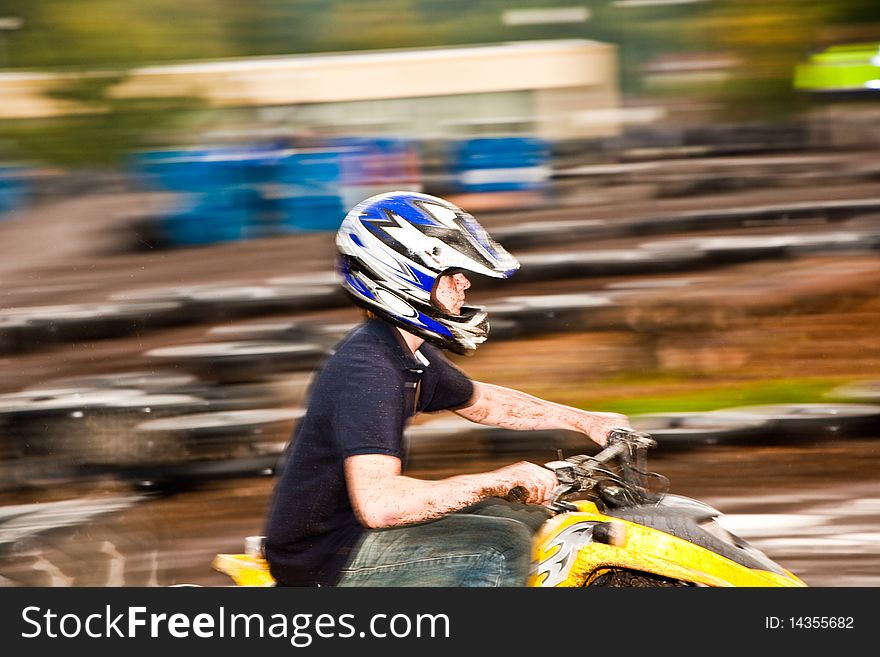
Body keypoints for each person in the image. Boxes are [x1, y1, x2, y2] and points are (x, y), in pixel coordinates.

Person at [263, 191, 630, 587]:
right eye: (451, 272)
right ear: (402, 277)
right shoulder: (367, 372)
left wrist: (588, 422)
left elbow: (486, 403)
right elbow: (382, 506)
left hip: (348, 532)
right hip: (323, 557)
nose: (464, 283)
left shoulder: (405, 352)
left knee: (529, 516)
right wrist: (497, 479)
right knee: (499, 545)